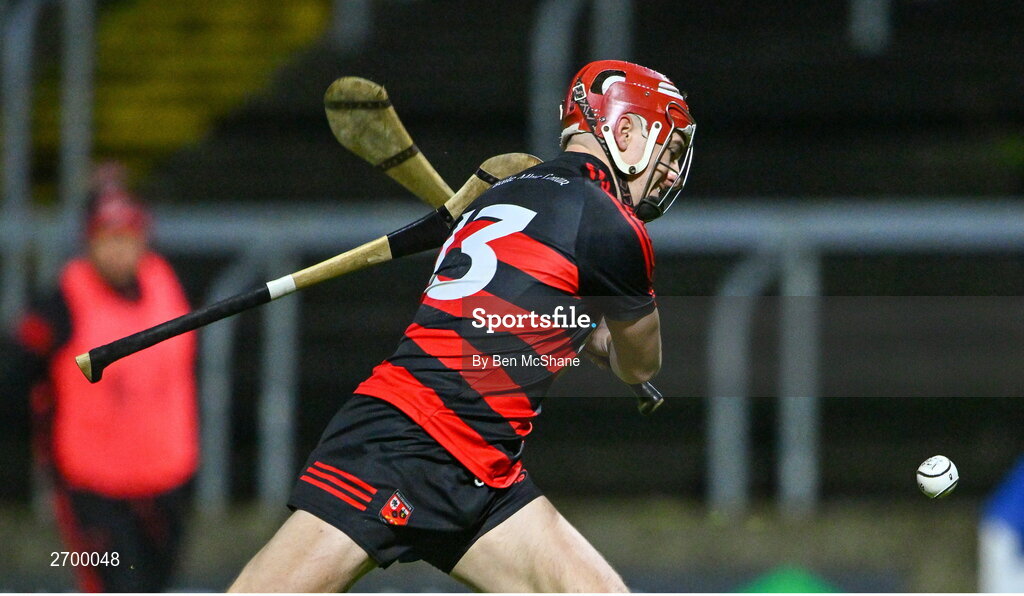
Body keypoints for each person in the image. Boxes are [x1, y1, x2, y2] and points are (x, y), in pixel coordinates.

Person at [229, 59, 696, 592]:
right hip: (407, 441)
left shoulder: (500, 195)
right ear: (627, 129)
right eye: (671, 149)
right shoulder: (614, 227)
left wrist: (572, 322)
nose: (669, 170)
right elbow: (640, 361)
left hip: (484, 469)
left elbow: (516, 302)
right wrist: (594, 333)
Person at [2, 164, 199, 592]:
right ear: (88, 242)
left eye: (127, 238)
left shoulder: (166, 281)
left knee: (157, 585)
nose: (118, 251)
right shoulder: (61, 301)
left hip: (167, 480)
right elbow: (15, 373)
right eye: (106, 239)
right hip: (94, 492)